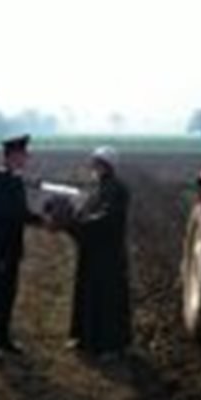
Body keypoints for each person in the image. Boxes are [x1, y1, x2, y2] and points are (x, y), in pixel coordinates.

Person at [65, 146, 132, 358]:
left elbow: (107, 219)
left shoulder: (117, 189)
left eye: (96, 163)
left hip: (108, 254)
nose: (93, 167)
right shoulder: (98, 187)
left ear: (106, 165)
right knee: (88, 293)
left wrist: (79, 225)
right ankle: (85, 338)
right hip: (92, 251)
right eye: (93, 162)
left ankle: (110, 345)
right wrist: (74, 217)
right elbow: (86, 211)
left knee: (107, 299)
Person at [0, 134, 43, 355]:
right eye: (23, 154)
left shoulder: (15, 179)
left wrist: (41, 219)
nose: (26, 158)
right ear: (12, 155)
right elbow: (9, 213)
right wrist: (42, 220)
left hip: (12, 247)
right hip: (1, 248)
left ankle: (3, 338)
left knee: (8, 294)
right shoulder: (0, 180)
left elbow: (21, 212)